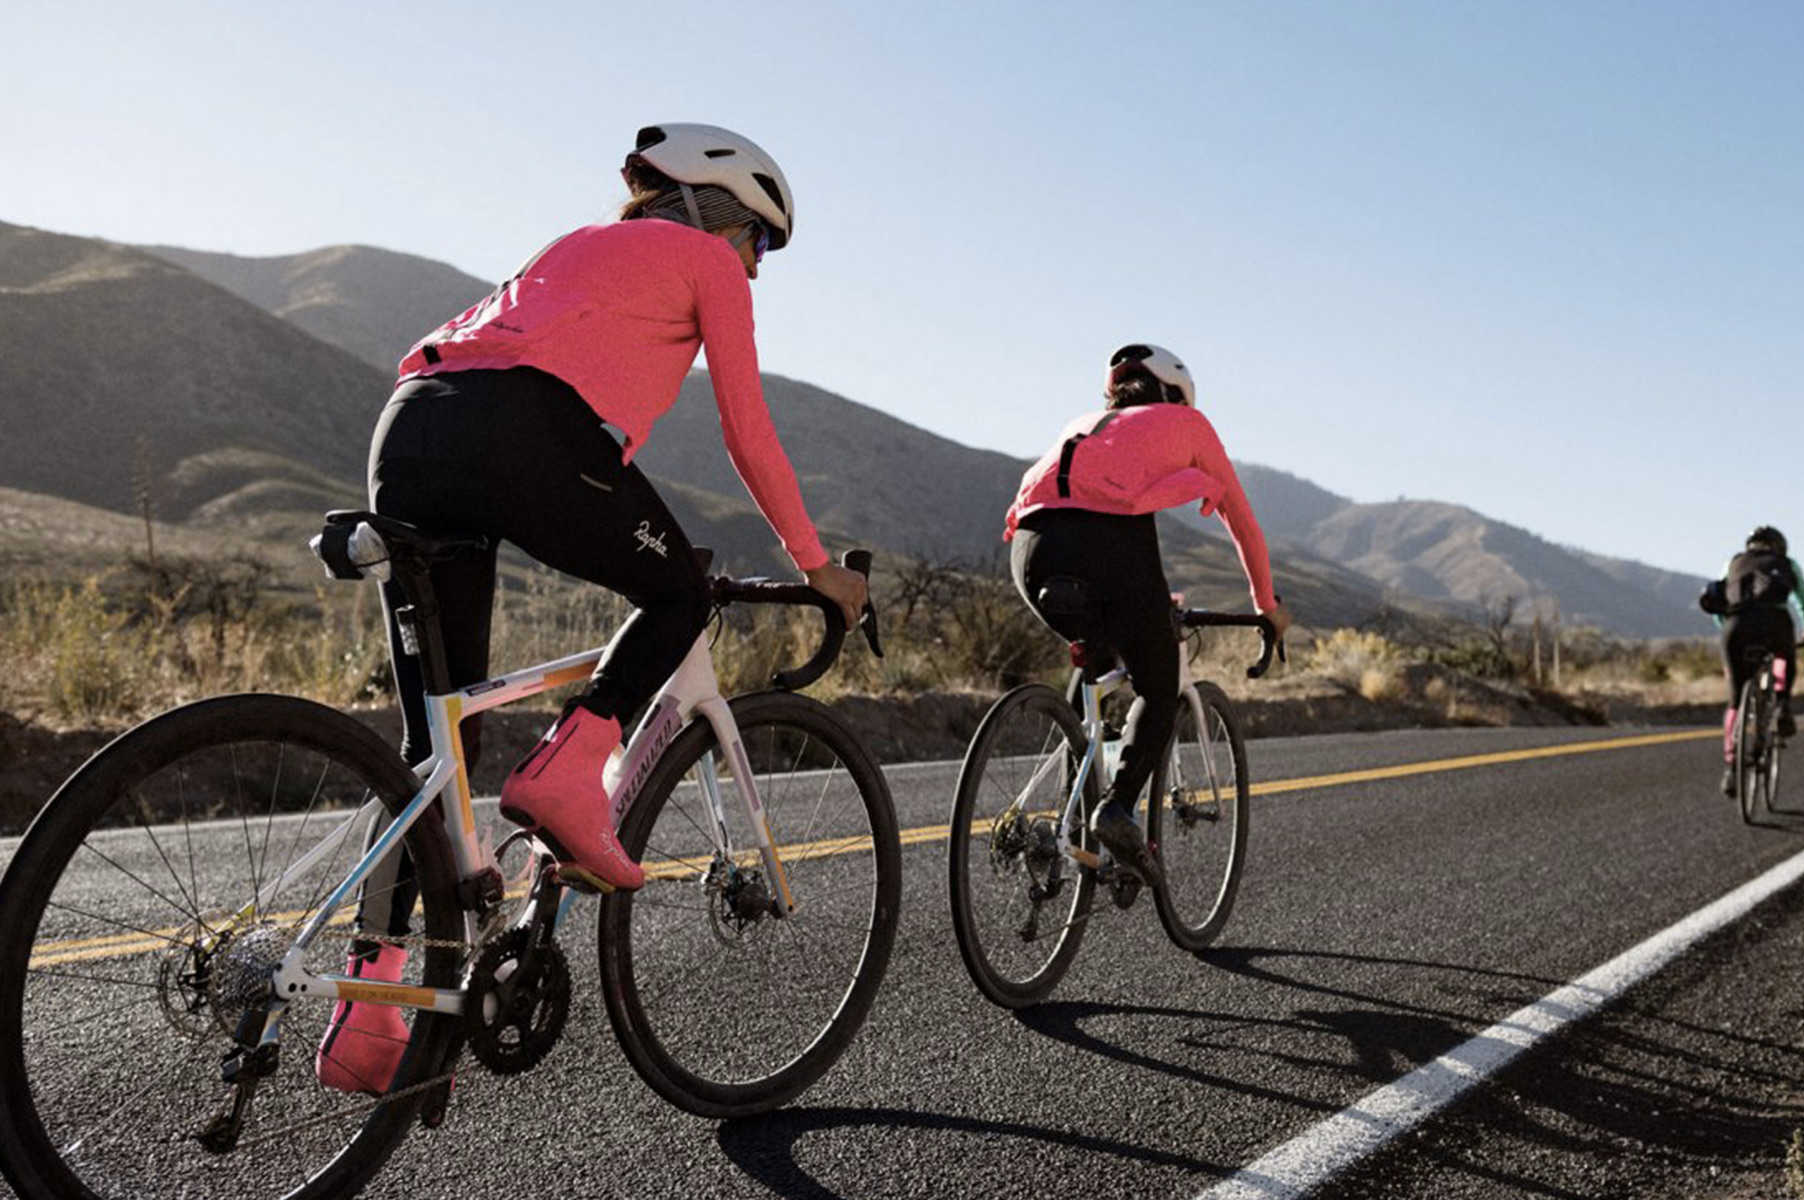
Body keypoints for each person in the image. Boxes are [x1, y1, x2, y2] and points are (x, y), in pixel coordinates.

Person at [317, 123, 866, 1095]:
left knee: (434, 748)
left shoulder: (575, 247)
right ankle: (569, 779)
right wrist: (818, 568)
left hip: (410, 423)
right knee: (678, 591)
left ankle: (372, 1017)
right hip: (520, 431)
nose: (756, 264)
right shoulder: (705, 261)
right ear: (717, 209)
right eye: (761, 241)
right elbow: (748, 429)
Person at [1003, 344, 1291, 885]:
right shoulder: (1188, 422)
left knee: (1095, 663)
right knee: (1159, 688)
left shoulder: (1085, 423)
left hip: (1029, 547)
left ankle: (1073, 803)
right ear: (1175, 396)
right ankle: (1115, 808)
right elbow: (1244, 525)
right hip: (1106, 543)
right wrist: (1267, 609)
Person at [1701, 525, 1804, 797]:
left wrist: (1727, 631)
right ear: (1779, 546)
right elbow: (1803, 604)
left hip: (1736, 627)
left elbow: (1718, 600)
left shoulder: (1733, 563)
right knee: (1783, 655)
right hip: (1775, 623)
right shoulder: (1787, 564)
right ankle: (1782, 704)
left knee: (1734, 699)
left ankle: (1731, 767)